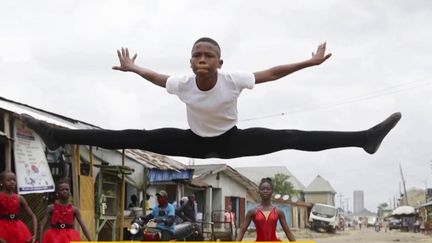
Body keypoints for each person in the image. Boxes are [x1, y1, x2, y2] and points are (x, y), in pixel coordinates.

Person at [21, 38, 402, 159]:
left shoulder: (234, 79)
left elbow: (272, 73)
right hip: (192, 142)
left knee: (290, 136)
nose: (201, 60)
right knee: (131, 135)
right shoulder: (183, 82)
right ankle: (59, 135)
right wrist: (135, 70)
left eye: (208, 56)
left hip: (233, 141)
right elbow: (157, 78)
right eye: (196, 55)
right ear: (191, 61)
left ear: (220, 62)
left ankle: (364, 138)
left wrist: (310, 62)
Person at [236, 177, 295, 241]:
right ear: (259, 191)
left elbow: (287, 232)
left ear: (272, 191)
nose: (265, 191)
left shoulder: (278, 212)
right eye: (263, 189)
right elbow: (242, 230)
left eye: (268, 189)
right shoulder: (252, 212)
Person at [0, 171, 37, 243]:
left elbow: (33, 216)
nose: (12, 182)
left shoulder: (19, 198)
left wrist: (34, 234)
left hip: (18, 229)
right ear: (1, 182)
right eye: (8, 180)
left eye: (14, 180)